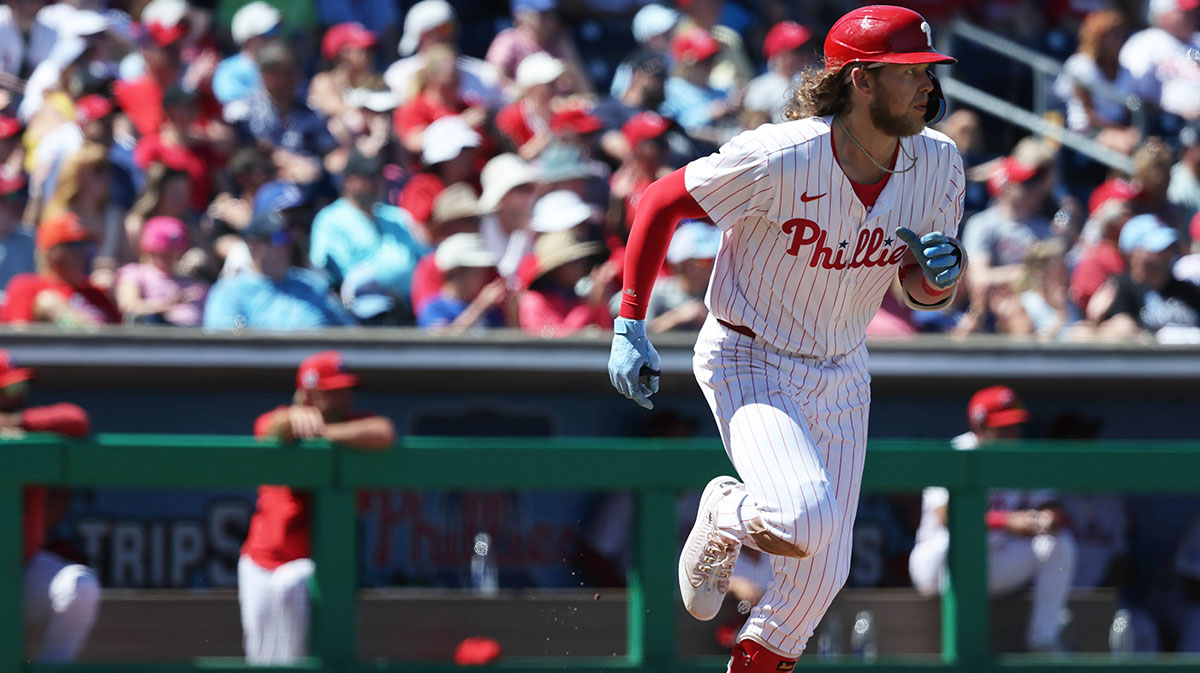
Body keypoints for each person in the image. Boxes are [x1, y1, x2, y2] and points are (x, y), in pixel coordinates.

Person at [607, 7, 967, 669]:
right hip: (752, 352)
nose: (927, 85)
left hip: (843, 365)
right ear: (860, 79)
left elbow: (918, 291)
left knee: (819, 579)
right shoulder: (782, 154)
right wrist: (630, 318)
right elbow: (661, 198)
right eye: (908, 72)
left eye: (926, 69)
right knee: (800, 519)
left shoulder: (939, 164)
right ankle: (723, 510)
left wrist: (937, 281)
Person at [239, 350, 394, 663]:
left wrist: (323, 434)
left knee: (311, 653)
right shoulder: (281, 418)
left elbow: (384, 432)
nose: (343, 397)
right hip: (262, 561)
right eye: (332, 391)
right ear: (309, 394)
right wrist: (289, 420)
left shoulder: (352, 424)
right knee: (263, 659)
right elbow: (270, 429)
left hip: (319, 567)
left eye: (346, 389)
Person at [908, 386, 1077, 653]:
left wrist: (1043, 520)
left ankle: (1044, 639)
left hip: (992, 562)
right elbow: (947, 516)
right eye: (1003, 428)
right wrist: (1008, 521)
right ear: (980, 427)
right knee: (962, 540)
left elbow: (1054, 509)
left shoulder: (1021, 459)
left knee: (1059, 543)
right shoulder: (955, 452)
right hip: (937, 566)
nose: (1012, 435)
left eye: (1015, 426)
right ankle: (963, 647)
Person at [0, 350, 100, 661]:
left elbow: (77, 419)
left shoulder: (29, 427)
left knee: (79, 588)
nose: (20, 396)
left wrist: (18, 422)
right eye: (9, 390)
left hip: (23, 567)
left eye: (21, 388)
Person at [309, 151, 428, 321]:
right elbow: (338, 275)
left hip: (410, 310)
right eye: (369, 177)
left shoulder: (398, 216)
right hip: (362, 313)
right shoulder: (329, 219)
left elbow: (424, 259)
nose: (377, 182)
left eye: (379, 176)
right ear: (349, 182)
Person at [203, 210, 355, 330]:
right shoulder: (230, 292)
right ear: (253, 245)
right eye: (278, 238)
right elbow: (226, 347)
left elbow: (348, 332)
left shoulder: (311, 284)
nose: (286, 245)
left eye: (288, 237)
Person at [1, 212, 121, 326]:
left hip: (105, 345)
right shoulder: (27, 286)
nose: (82, 253)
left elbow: (123, 338)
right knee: (48, 302)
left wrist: (115, 296)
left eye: (86, 245)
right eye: (74, 246)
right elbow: (19, 339)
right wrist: (66, 318)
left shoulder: (96, 293)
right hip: (68, 346)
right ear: (50, 253)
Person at [1095, 214, 1200, 340]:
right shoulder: (1118, 290)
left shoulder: (1187, 290)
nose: (1167, 253)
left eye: (1169, 247)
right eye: (1159, 249)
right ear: (1133, 253)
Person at [1052, 10, 1139, 154]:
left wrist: (1130, 131)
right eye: (1113, 35)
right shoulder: (1081, 65)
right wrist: (1122, 131)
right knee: (1126, 147)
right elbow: (1090, 115)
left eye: (1121, 34)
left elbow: (1129, 111)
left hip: (1118, 131)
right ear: (1098, 37)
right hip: (1085, 131)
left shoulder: (1126, 71)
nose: (1119, 40)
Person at [114, 216, 208, 325]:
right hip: (157, 334)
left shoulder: (192, 282)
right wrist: (169, 304)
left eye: (174, 252)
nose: (170, 257)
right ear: (150, 251)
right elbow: (129, 306)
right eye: (163, 253)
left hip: (196, 335)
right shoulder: (135, 273)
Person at [519, 228, 613, 337]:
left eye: (582, 261)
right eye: (575, 262)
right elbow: (558, 344)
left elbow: (605, 333)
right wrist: (590, 306)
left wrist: (600, 303)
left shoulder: (575, 298)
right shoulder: (534, 302)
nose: (582, 266)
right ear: (557, 269)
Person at [1118, 0, 1200, 121]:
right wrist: (1178, 112)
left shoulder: (1197, 41)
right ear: (1162, 15)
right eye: (1183, 12)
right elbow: (1132, 94)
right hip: (1169, 122)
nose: (1191, 16)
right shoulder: (1147, 42)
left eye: (1192, 12)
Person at [418, 232, 512, 331]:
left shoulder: (490, 311)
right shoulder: (435, 308)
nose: (482, 277)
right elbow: (442, 341)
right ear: (455, 271)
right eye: (475, 272)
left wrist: (512, 309)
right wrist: (479, 307)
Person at [744, 21, 814, 127]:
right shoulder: (760, 87)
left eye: (805, 49)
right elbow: (753, 128)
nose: (804, 54)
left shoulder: (809, 82)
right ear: (780, 54)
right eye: (797, 50)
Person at [213, 1, 281, 105]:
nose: (275, 37)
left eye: (278, 29)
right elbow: (235, 109)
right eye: (270, 32)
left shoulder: (285, 69)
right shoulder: (230, 72)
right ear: (249, 37)